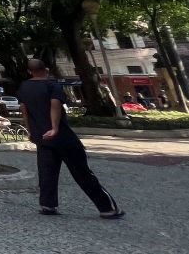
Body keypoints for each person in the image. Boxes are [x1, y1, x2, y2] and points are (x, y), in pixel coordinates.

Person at [17, 59, 124, 219]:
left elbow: (24, 110)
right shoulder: (52, 85)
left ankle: (48, 205)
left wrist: (31, 131)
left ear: (29, 71)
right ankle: (107, 208)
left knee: (46, 172)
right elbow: (55, 105)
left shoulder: (24, 87)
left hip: (42, 137)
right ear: (46, 69)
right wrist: (55, 128)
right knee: (82, 172)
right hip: (62, 137)